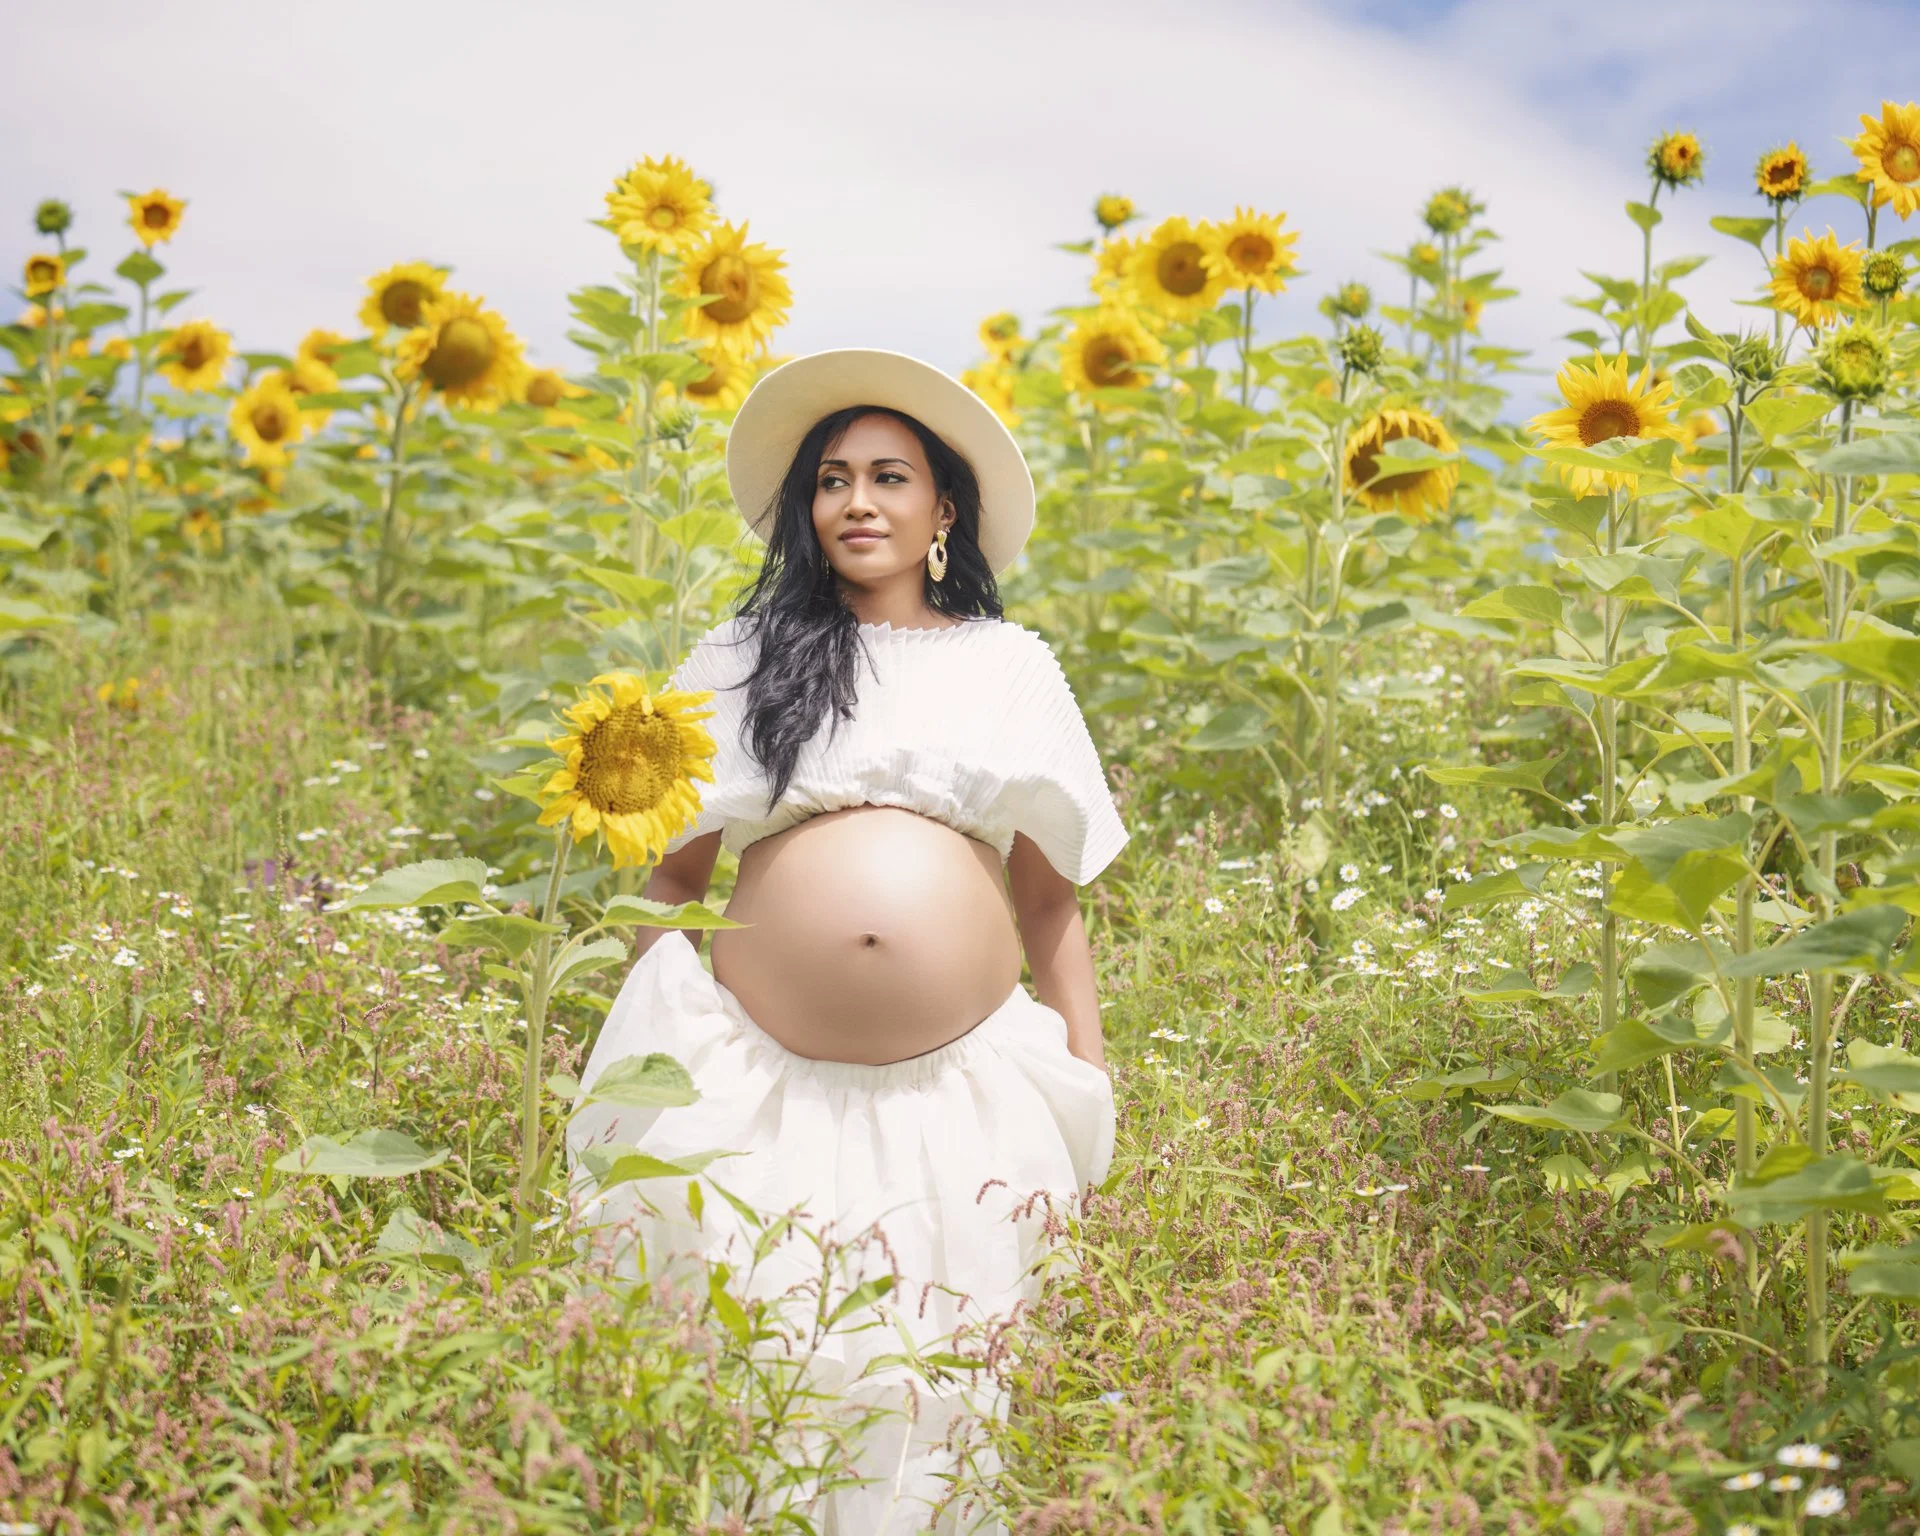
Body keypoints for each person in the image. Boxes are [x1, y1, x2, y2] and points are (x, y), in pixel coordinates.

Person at [564, 348, 1128, 1535]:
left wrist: (1087, 1074)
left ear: (944, 511)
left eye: (888, 476)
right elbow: (675, 876)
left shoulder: (1005, 664)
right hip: (751, 1082)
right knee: (746, 1362)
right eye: (832, 479)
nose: (856, 502)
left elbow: (1048, 903)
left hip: (957, 1093)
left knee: (934, 1381)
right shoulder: (742, 656)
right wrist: (638, 1058)